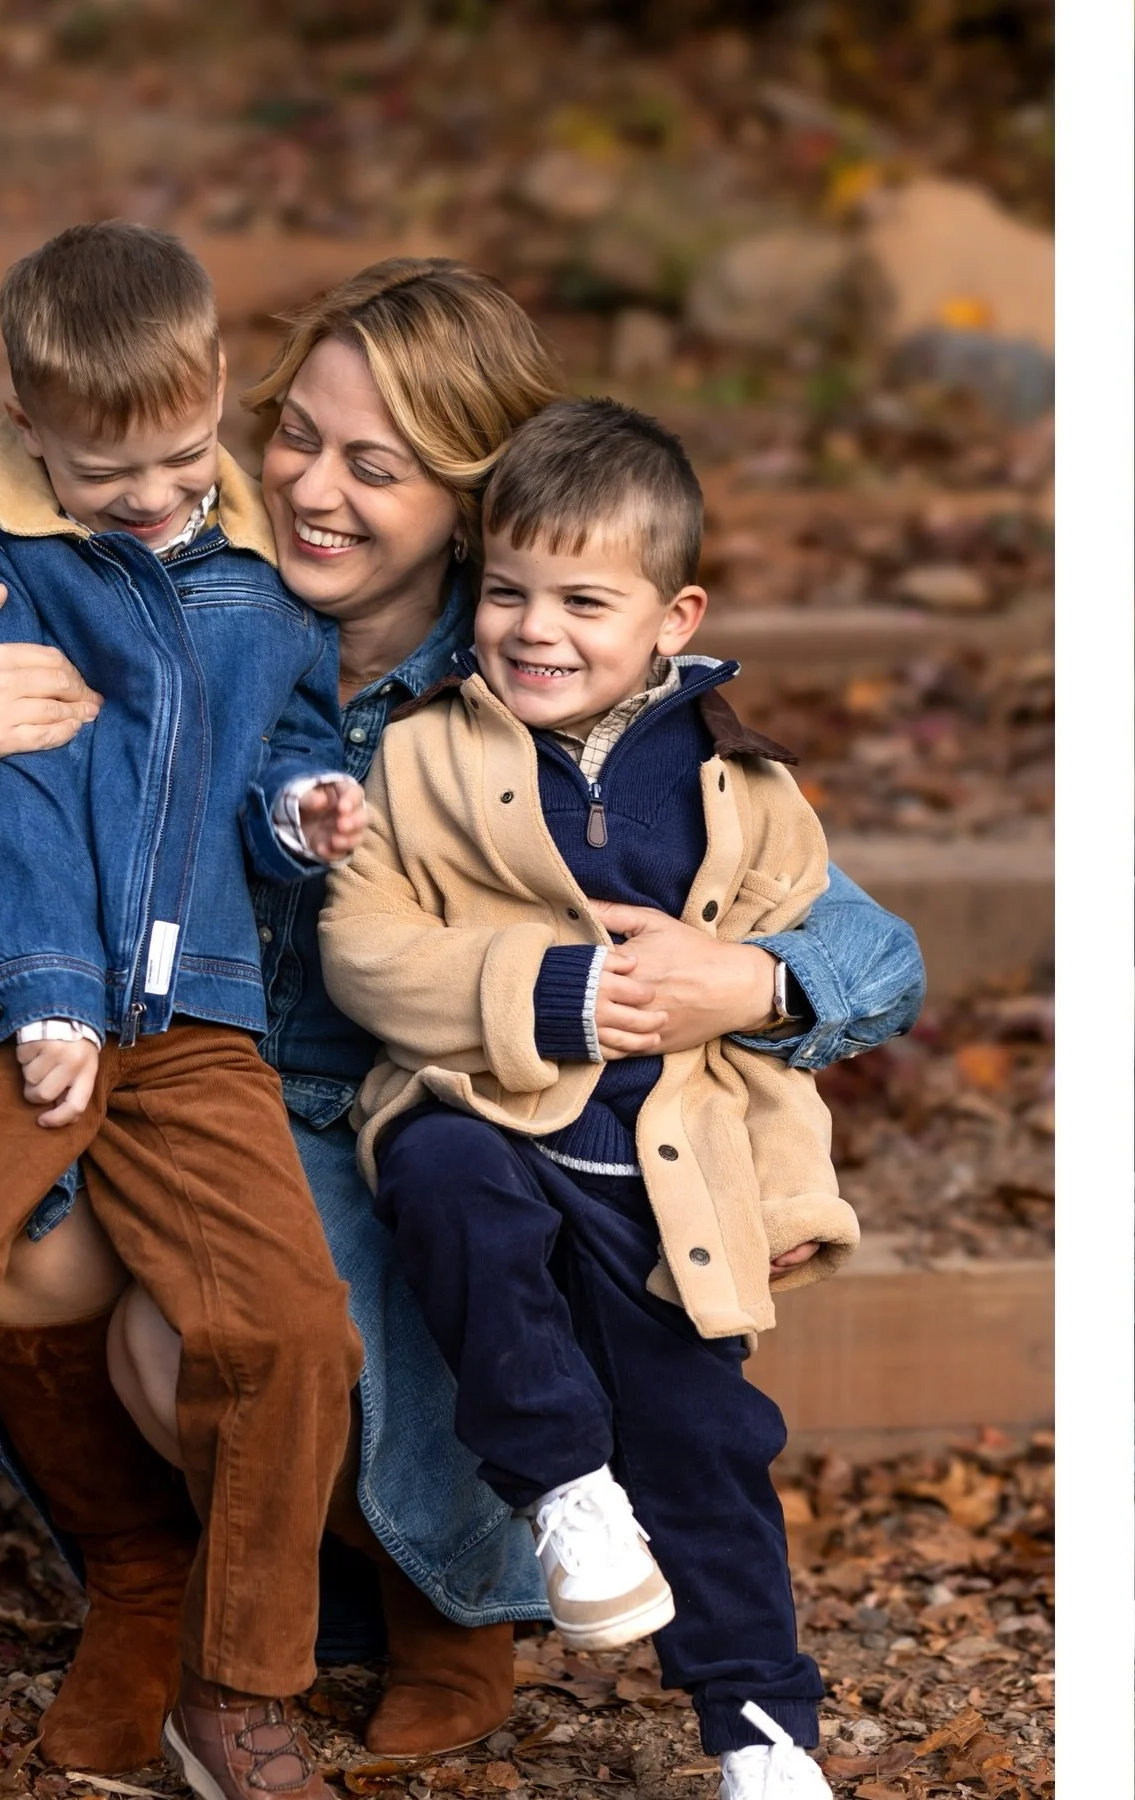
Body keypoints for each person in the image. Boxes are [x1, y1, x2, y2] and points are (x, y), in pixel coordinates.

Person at [0, 258, 927, 1771]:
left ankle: (435, 1599)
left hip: (408, 1129)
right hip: (165, 1076)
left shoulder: (530, 663)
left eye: (377, 465)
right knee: (28, 1228)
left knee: (232, 1316)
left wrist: (752, 984)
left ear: (472, 496)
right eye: (298, 438)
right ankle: (146, 1578)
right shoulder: (168, 587)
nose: (312, 486)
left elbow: (849, 934)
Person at [0, 222, 367, 1800]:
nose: (159, 498)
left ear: (222, 388)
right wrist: (42, 997)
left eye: (184, 454)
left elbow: (282, 740)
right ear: (30, 425)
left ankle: (235, 1688)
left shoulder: (251, 565)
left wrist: (306, 805)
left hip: (192, 1006)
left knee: (293, 1327)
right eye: (111, 474)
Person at [321, 397, 866, 1800]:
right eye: (506, 592)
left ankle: (762, 1734)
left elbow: (775, 1019)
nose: (535, 630)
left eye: (583, 600)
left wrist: (793, 1195)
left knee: (709, 1446)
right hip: (493, 1117)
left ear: (673, 615)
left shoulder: (747, 792)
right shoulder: (424, 755)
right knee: (439, 1175)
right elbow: (366, 948)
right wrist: (549, 991)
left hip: (666, 1175)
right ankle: (564, 1487)